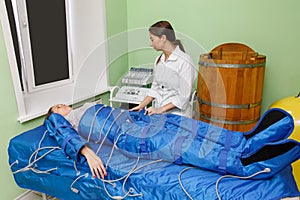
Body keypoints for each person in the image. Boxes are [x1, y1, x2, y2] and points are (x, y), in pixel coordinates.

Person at [130, 20, 197, 118]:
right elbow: (155, 88)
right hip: (159, 113)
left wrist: (159, 110)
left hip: (177, 115)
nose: (150, 44)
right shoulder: (159, 60)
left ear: (163, 38)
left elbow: (183, 98)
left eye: (152, 39)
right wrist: (140, 106)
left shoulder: (185, 62)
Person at [45, 103, 107, 180]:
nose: (62, 105)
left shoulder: (81, 108)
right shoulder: (61, 120)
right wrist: (88, 153)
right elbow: (66, 135)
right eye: (58, 107)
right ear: (57, 116)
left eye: (61, 104)